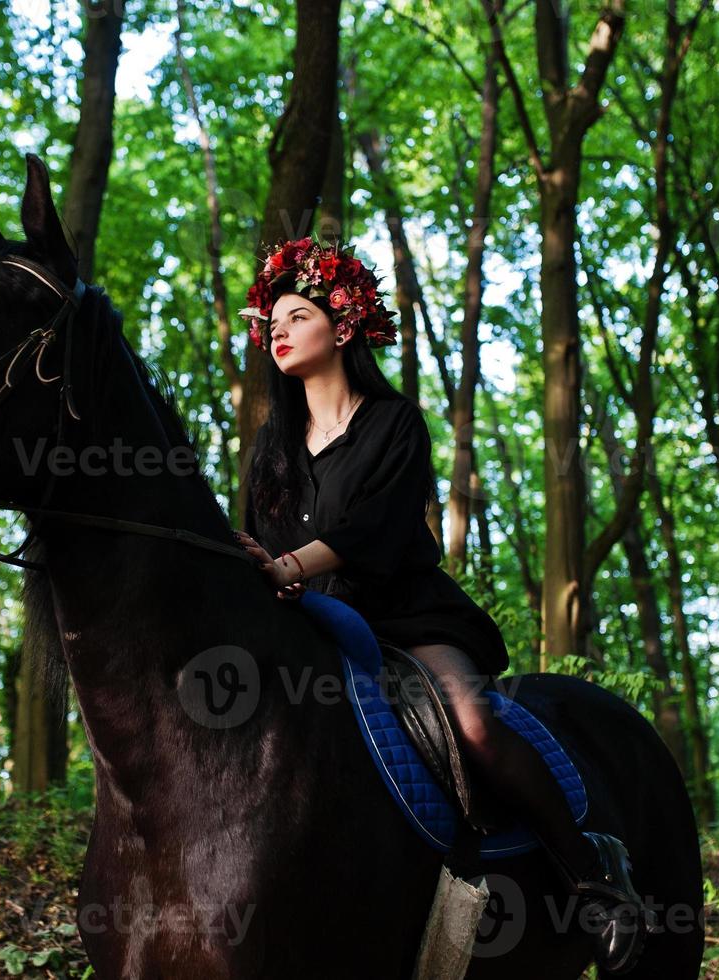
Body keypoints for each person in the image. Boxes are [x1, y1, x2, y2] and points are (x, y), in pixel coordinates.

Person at [232, 237, 651, 973]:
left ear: (345, 326)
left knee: (472, 720)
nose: (279, 331)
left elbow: (379, 527)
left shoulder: (393, 422)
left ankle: (591, 875)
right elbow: (259, 542)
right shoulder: (271, 444)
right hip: (304, 620)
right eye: (272, 323)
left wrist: (289, 563)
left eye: (297, 316)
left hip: (402, 615)